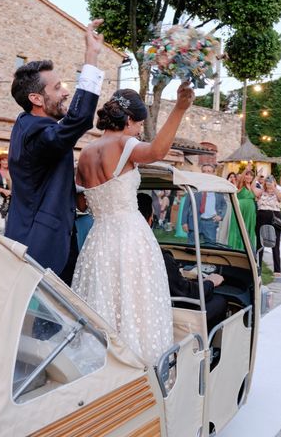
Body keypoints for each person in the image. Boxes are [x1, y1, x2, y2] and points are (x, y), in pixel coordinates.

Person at [72, 83, 195, 365]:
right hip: (130, 238)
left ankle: (102, 369)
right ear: (128, 120)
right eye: (139, 124)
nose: (139, 130)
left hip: (98, 239)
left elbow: (81, 204)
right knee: (136, 305)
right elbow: (156, 151)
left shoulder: (87, 153)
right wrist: (179, 108)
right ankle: (137, 369)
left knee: (103, 305)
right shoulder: (124, 143)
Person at [4, 19, 104, 285]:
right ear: (36, 99)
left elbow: (44, 179)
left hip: (42, 238)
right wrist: (91, 57)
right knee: (41, 322)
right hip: (41, 246)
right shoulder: (39, 134)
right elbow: (79, 120)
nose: (65, 91)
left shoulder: (26, 125)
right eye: (57, 87)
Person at [137, 193, 227, 329]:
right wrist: (210, 282)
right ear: (149, 220)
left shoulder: (118, 251)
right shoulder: (158, 256)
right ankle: (206, 348)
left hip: (141, 312)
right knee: (220, 301)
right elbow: (187, 292)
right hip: (164, 316)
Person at [182, 163, 227, 245]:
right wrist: (184, 222)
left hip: (210, 223)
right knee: (192, 247)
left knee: (210, 248)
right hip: (194, 222)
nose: (206, 173)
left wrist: (221, 216)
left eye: (209, 171)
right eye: (204, 171)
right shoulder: (193, 186)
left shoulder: (218, 188)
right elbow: (186, 206)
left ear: (213, 173)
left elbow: (224, 204)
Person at [256, 175, 281, 273]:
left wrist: (274, 187)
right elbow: (253, 189)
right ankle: (258, 267)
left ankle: (277, 269)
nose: (268, 183)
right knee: (260, 243)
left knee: (275, 244)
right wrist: (257, 177)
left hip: (274, 217)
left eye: (270, 181)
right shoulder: (261, 192)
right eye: (267, 181)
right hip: (261, 216)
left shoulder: (278, 192)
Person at [227, 166, 258, 251]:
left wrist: (258, 176)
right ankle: (236, 248)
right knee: (238, 228)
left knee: (249, 228)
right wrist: (246, 169)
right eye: (247, 175)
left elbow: (257, 193)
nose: (249, 177)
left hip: (250, 211)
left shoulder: (252, 187)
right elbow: (240, 179)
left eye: (251, 175)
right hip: (240, 209)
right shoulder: (240, 184)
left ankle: (247, 249)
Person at [217, 172, 236, 245]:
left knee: (231, 226)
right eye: (231, 177)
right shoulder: (225, 185)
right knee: (224, 225)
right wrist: (228, 182)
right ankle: (221, 242)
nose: (232, 178)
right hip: (227, 206)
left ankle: (229, 242)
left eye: (234, 177)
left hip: (234, 207)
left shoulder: (236, 186)